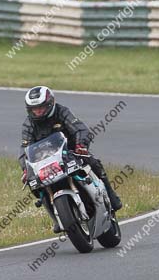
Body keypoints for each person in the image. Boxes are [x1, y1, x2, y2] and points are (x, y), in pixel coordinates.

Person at [19, 86, 123, 233]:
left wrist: (81, 145)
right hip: (45, 161)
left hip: (71, 152)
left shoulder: (61, 112)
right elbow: (24, 148)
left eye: (41, 108)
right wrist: (25, 168)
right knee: (35, 184)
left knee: (93, 162)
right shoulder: (28, 124)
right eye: (34, 109)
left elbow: (80, 129)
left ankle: (112, 197)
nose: (38, 112)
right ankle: (56, 218)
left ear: (50, 103)